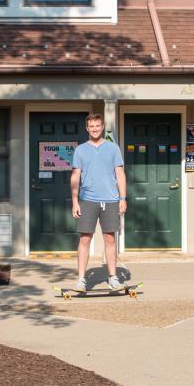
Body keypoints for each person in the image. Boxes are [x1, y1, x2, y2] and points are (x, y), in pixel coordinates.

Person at [69, 113, 126, 291]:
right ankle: (81, 280)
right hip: (87, 200)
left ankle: (113, 277)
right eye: (91, 126)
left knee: (110, 238)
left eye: (97, 126)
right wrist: (75, 201)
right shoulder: (80, 150)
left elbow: (120, 174)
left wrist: (123, 198)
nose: (94, 129)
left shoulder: (113, 148)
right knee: (85, 239)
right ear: (87, 128)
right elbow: (75, 176)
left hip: (111, 199)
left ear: (102, 127)